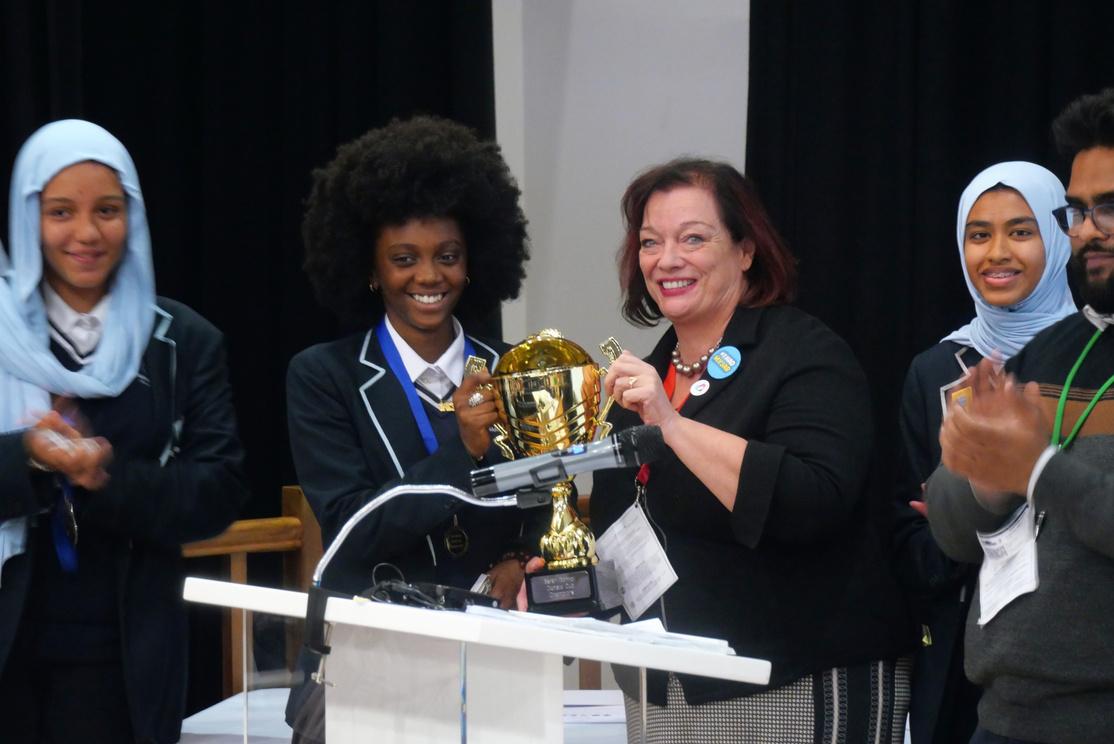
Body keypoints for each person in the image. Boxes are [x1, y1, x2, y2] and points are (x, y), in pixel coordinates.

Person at [590, 158, 910, 743]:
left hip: (791, 682)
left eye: (693, 238)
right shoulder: (644, 378)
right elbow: (620, 529)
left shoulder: (804, 354)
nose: (667, 259)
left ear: (745, 250)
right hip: (662, 692)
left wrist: (672, 425)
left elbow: (814, 501)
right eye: (650, 242)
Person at [0, 120, 247, 743]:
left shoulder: (183, 341)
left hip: (123, 657)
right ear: (29, 218)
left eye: (107, 210)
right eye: (61, 211)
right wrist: (29, 456)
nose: (86, 233)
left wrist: (102, 479)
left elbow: (217, 491)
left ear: (131, 216)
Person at [926, 88, 1114, 744]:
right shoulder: (1052, 348)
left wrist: (1033, 469)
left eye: (1109, 206)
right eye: (1078, 210)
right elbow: (950, 530)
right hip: (1006, 718)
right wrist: (983, 480)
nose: (1087, 229)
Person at [287, 115, 538, 604]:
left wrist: (518, 557)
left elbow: (548, 499)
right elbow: (350, 527)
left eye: (448, 256)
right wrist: (462, 451)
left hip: (502, 629)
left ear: (472, 263)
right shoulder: (324, 376)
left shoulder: (514, 367)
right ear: (371, 270)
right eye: (404, 259)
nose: (429, 276)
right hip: (382, 626)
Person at [893, 162, 1075, 744]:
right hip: (958, 656)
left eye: (1021, 231)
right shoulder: (934, 370)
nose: (997, 252)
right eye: (979, 234)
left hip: (1073, 662)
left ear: (1060, 238)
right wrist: (962, 522)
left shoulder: (1095, 359)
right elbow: (905, 536)